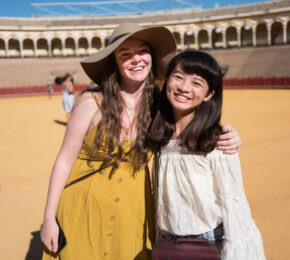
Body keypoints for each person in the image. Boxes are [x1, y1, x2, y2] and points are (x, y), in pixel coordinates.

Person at [40, 24, 241, 260]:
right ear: (115, 62)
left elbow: (195, 122)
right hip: (84, 210)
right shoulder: (91, 101)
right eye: (125, 54)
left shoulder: (162, 104)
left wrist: (229, 135)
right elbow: (65, 160)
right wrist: (48, 218)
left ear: (151, 57)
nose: (136, 60)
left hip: (133, 213)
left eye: (142, 51)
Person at [148, 50, 266, 259]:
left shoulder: (218, 141)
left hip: (207, 245)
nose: (184, 88)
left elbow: (233, 202)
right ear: (166, 82)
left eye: (197, 83)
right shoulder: (160, 135)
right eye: (178, 77)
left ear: (209, 94)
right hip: (166, 245)